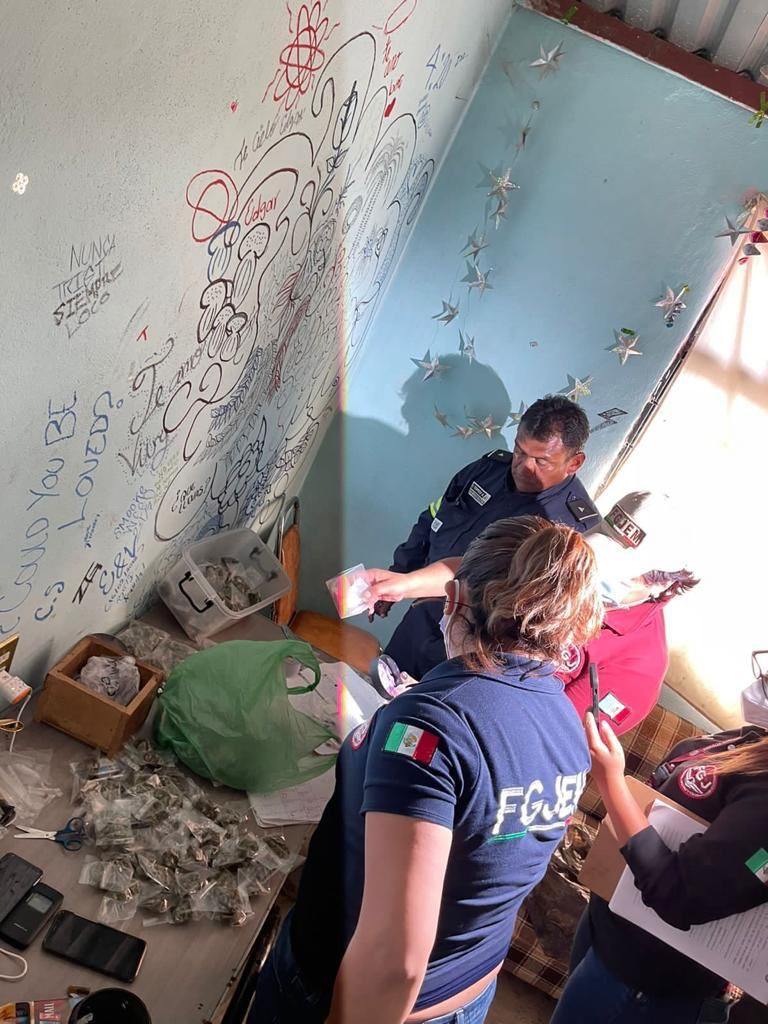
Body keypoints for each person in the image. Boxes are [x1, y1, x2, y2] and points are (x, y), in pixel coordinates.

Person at [248, 516, 604, 1024]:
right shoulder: (567, 724)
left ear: (453, 600)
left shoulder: (431, 725)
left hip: (358, 997)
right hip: (469, 988)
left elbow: (395, 961)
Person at [368, 490, 698, 734]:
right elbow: (479, 568)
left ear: (662, 583)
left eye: (616, 572)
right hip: (438, 689)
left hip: (476, 744)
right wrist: (405, 584)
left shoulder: (639, 665)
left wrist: (448, 708)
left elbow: (544, 735)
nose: (591, 576)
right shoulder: (565, 558)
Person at [551, 677, 768, 1024]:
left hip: (644, 982)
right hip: (611, 929)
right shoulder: (751, 740)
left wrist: (611, 781)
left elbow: (680, 894)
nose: (761, 681)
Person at [374, 395, 598, 678]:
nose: (524, 467)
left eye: (541, 461)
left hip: (471, 651)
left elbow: (489, 583)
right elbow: (433, 518)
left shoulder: (571, 530)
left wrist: (405, 584)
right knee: (379, 692)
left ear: (574, 462)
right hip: (420, 616)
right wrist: (400, 574)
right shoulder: (488, 470)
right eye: (519, 452)